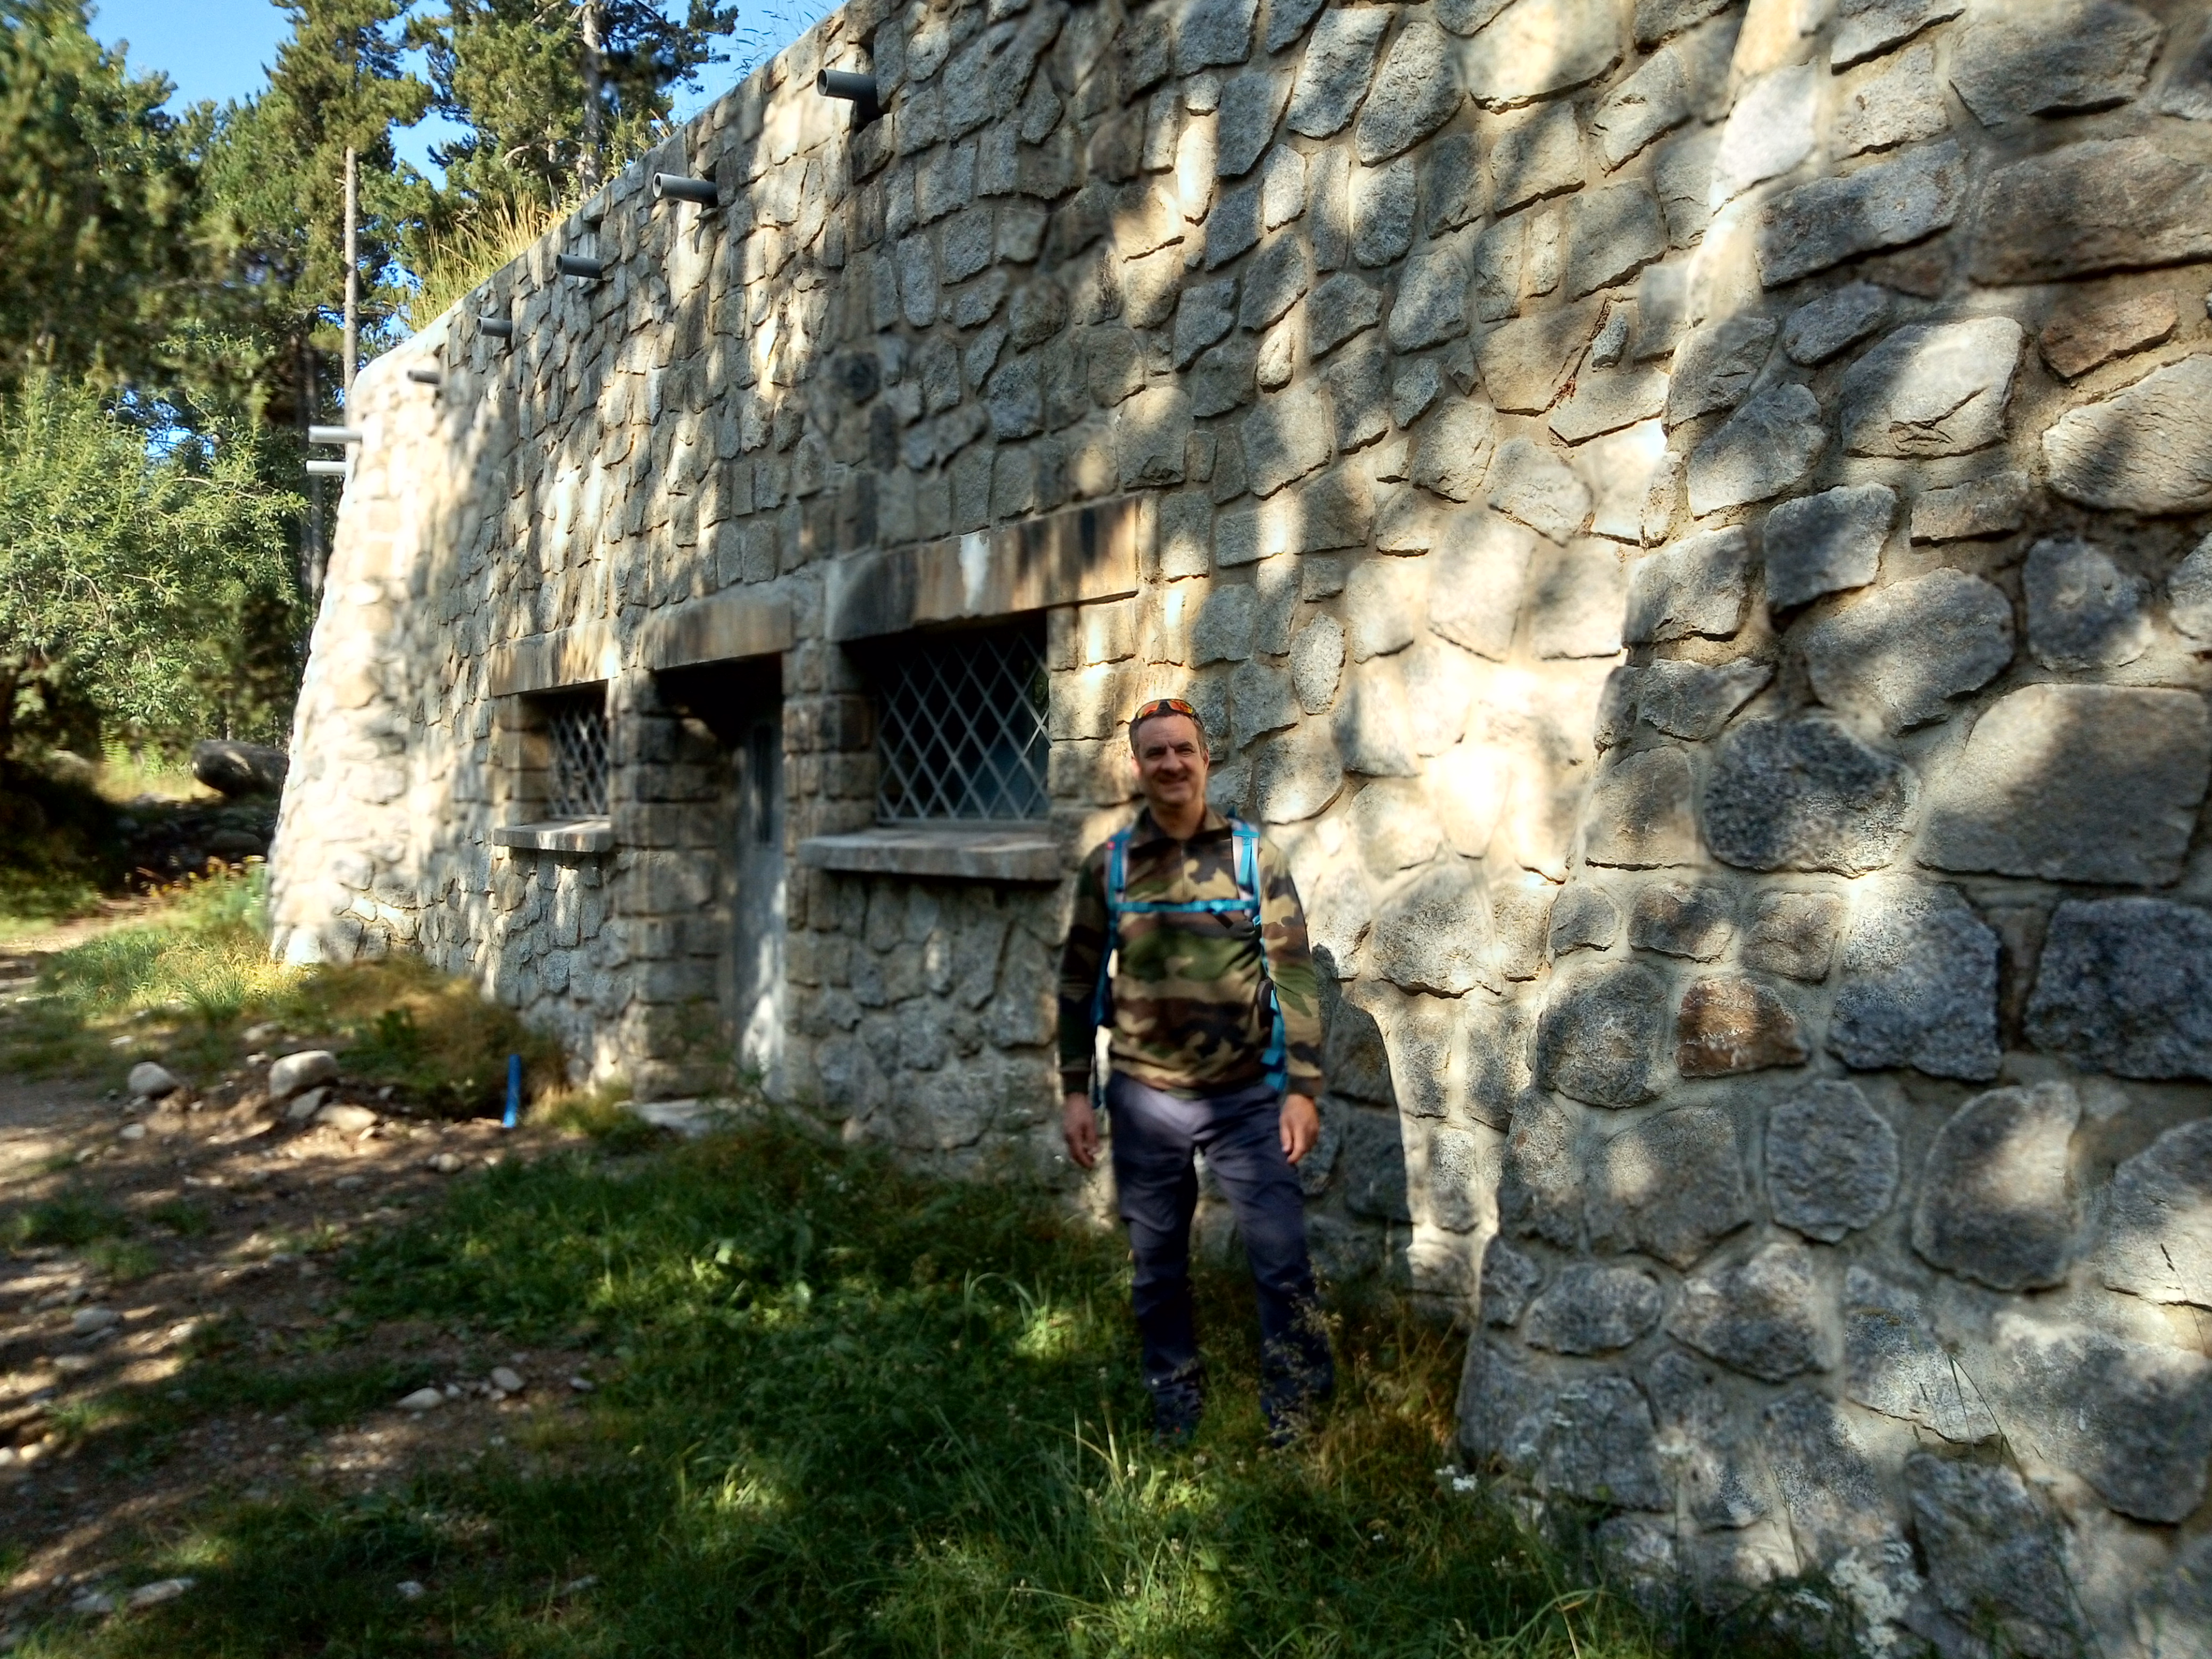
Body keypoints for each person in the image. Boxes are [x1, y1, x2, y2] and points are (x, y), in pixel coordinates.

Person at [1056, 696, 1335, 1445]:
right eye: (1156, 752)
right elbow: (1078, 981)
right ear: (1137, 768)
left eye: (1184, 749)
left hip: (1247, 1099)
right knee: (1157, 1267)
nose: (1171, 763)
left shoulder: (1253, 859)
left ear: (1206, 759)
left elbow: (1294, 978)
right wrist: (1076, 1091)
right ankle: (1175, 1409)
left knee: (1281, 1260)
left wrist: (1302, 1090)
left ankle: (1298, 1417)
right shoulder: (1110, 867)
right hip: (1145, 1101)